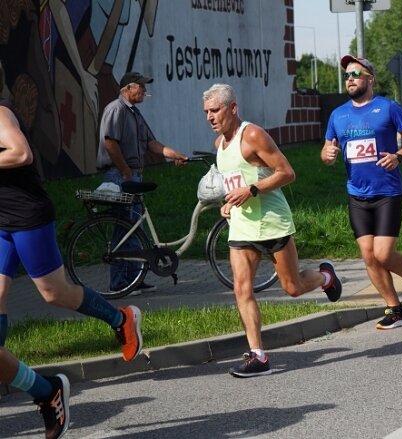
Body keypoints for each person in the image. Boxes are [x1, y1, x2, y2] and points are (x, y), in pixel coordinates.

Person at [1, 96, 142, 439]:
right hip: (1, 222)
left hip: (27, 218)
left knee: (54, 293)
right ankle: (35, 387)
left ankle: (120, 318)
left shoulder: (0, 112)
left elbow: (21, 153)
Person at [202, 83, 343, 377]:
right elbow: (235, 184)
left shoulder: (252, 135)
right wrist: (229, 204)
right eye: (206, 112)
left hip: (273, 224)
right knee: (242, 289)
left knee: (292, 288)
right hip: (242, 228)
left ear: (233, 108)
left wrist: (252, 190)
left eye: (215, 111)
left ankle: (326, 277)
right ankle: (258, 356)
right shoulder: (219, 146)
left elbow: (287, 173)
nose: (210, 117)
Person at [321, 55, 402, 330]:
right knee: (368, 256)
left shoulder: (388, 108)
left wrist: (399, 157)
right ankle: (394, 307)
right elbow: (326, 151)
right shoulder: (338, 115)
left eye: (356, 73)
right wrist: (327, 154)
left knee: (382, 254)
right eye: (346, 75)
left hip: (387, 192)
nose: (350, 78)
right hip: (356, 193)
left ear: (370, 78)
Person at [95, 72, 189, 295]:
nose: (145, 91)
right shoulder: (115, 110)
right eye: (142, 87)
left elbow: (152, 143)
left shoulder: (134, 114)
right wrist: (126, 172)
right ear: (128, 88)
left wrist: (173, 154)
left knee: (136, 227)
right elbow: (110, 143)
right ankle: (120, 283)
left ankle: (135, 278)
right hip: (120, 175)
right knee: (125, 228)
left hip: (131, 175)